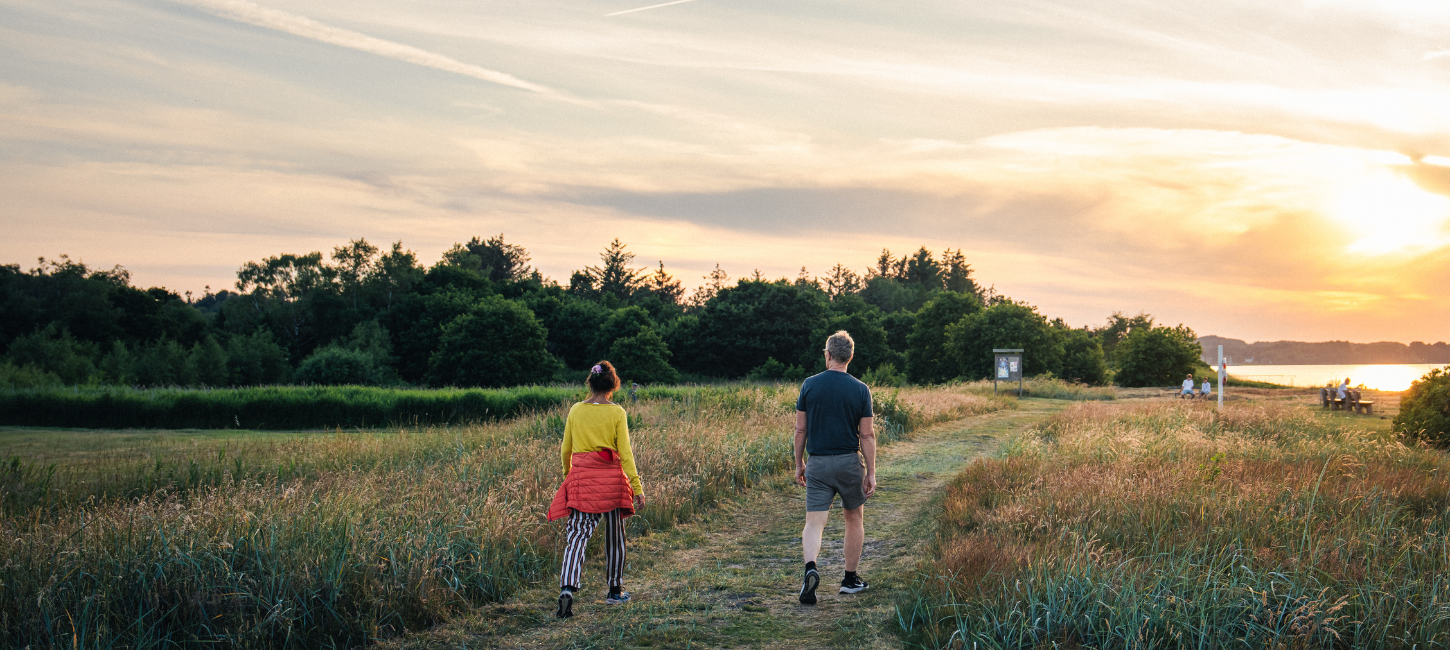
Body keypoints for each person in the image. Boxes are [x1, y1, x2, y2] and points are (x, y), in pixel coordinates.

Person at [546, 361, 646, 618]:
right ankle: (615, 591)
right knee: (615, 537)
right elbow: (625, 454)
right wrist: (636, 487)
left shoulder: (576, 410)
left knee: (577, 537)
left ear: (590, 383)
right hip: (611, 481)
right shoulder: (617, 413)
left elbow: (565, 450)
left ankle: (567, 587)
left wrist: (571, 477)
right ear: (613, 385)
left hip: (582, 479)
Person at [794, 330, 876, 605]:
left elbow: (800, 429)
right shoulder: (860, 389)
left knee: (814, 522)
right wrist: (872, 471)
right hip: (849, 463)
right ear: (850, 357)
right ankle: (849, 579)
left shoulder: (809, 385)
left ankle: (811, 569)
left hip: (817, 463)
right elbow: (866, 435)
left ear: (828, 355)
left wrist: (799, 464)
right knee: (853, 519)